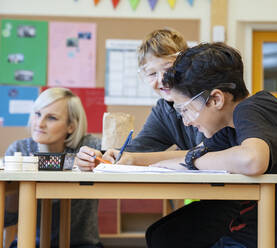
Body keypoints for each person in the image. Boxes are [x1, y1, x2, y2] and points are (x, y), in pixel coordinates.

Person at [146, 42, 277, 248]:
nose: (186, 121)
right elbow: (193, 155)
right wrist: (131, 159)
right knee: (164, 235)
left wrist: (193, 161)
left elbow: (252, 160)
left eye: (186, 109)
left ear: (216, 99)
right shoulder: (232, 129)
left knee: (168, 238)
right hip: (247, 231)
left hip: (270, 240)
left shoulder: (253, 109)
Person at [75, 28, 204, 170]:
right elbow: (137, 149)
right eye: (152, 73)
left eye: (168, 69)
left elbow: (207, 152)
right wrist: (101, 157)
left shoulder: (205, 101)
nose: (161, 79)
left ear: (185, 66)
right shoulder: (164, 110)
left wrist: (133, 159)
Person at [5, 88, 102, 248]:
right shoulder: (19, 149)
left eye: (51, 118)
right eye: (37, 114)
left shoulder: (88, 146)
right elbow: (6, 220)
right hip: (30, 243)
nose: (39, 124)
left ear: (71, 126)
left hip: (82, 244)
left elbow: (119, 159)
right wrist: (15, 193)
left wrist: (100, 158)